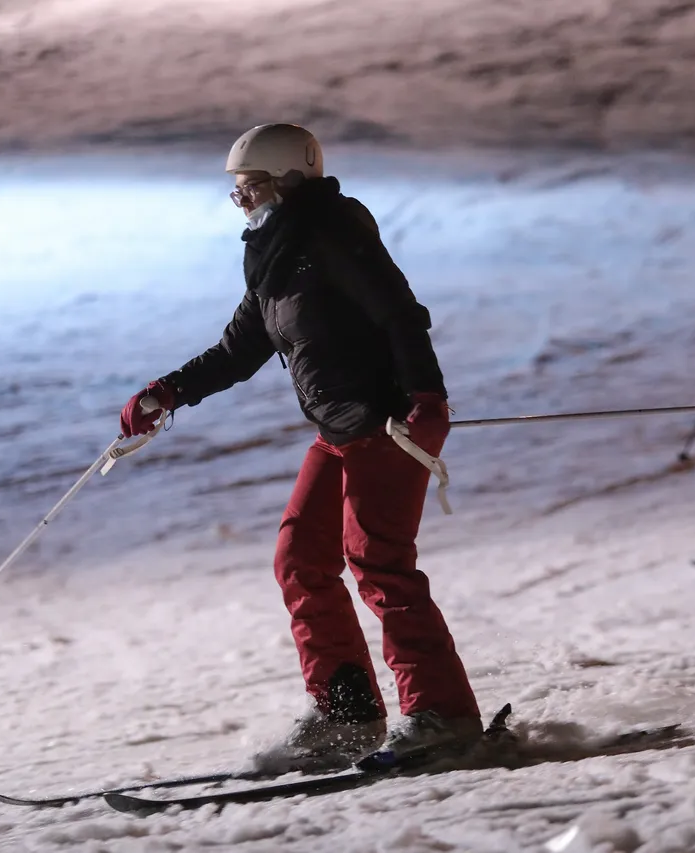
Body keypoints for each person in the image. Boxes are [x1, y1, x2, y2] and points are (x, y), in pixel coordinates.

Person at [118, 123, 481, 765]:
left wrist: (427, 399)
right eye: (235, 190)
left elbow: (400, 312)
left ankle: (443, 716)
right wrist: (166, 393)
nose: (241, 200)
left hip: (387, 423)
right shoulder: (274, 256)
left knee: (379, 565)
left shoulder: (334, 232)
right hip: (338, 432)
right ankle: (347, 715)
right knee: (301, 560)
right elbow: (239, 348)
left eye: (250, 186)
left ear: (289, 179)